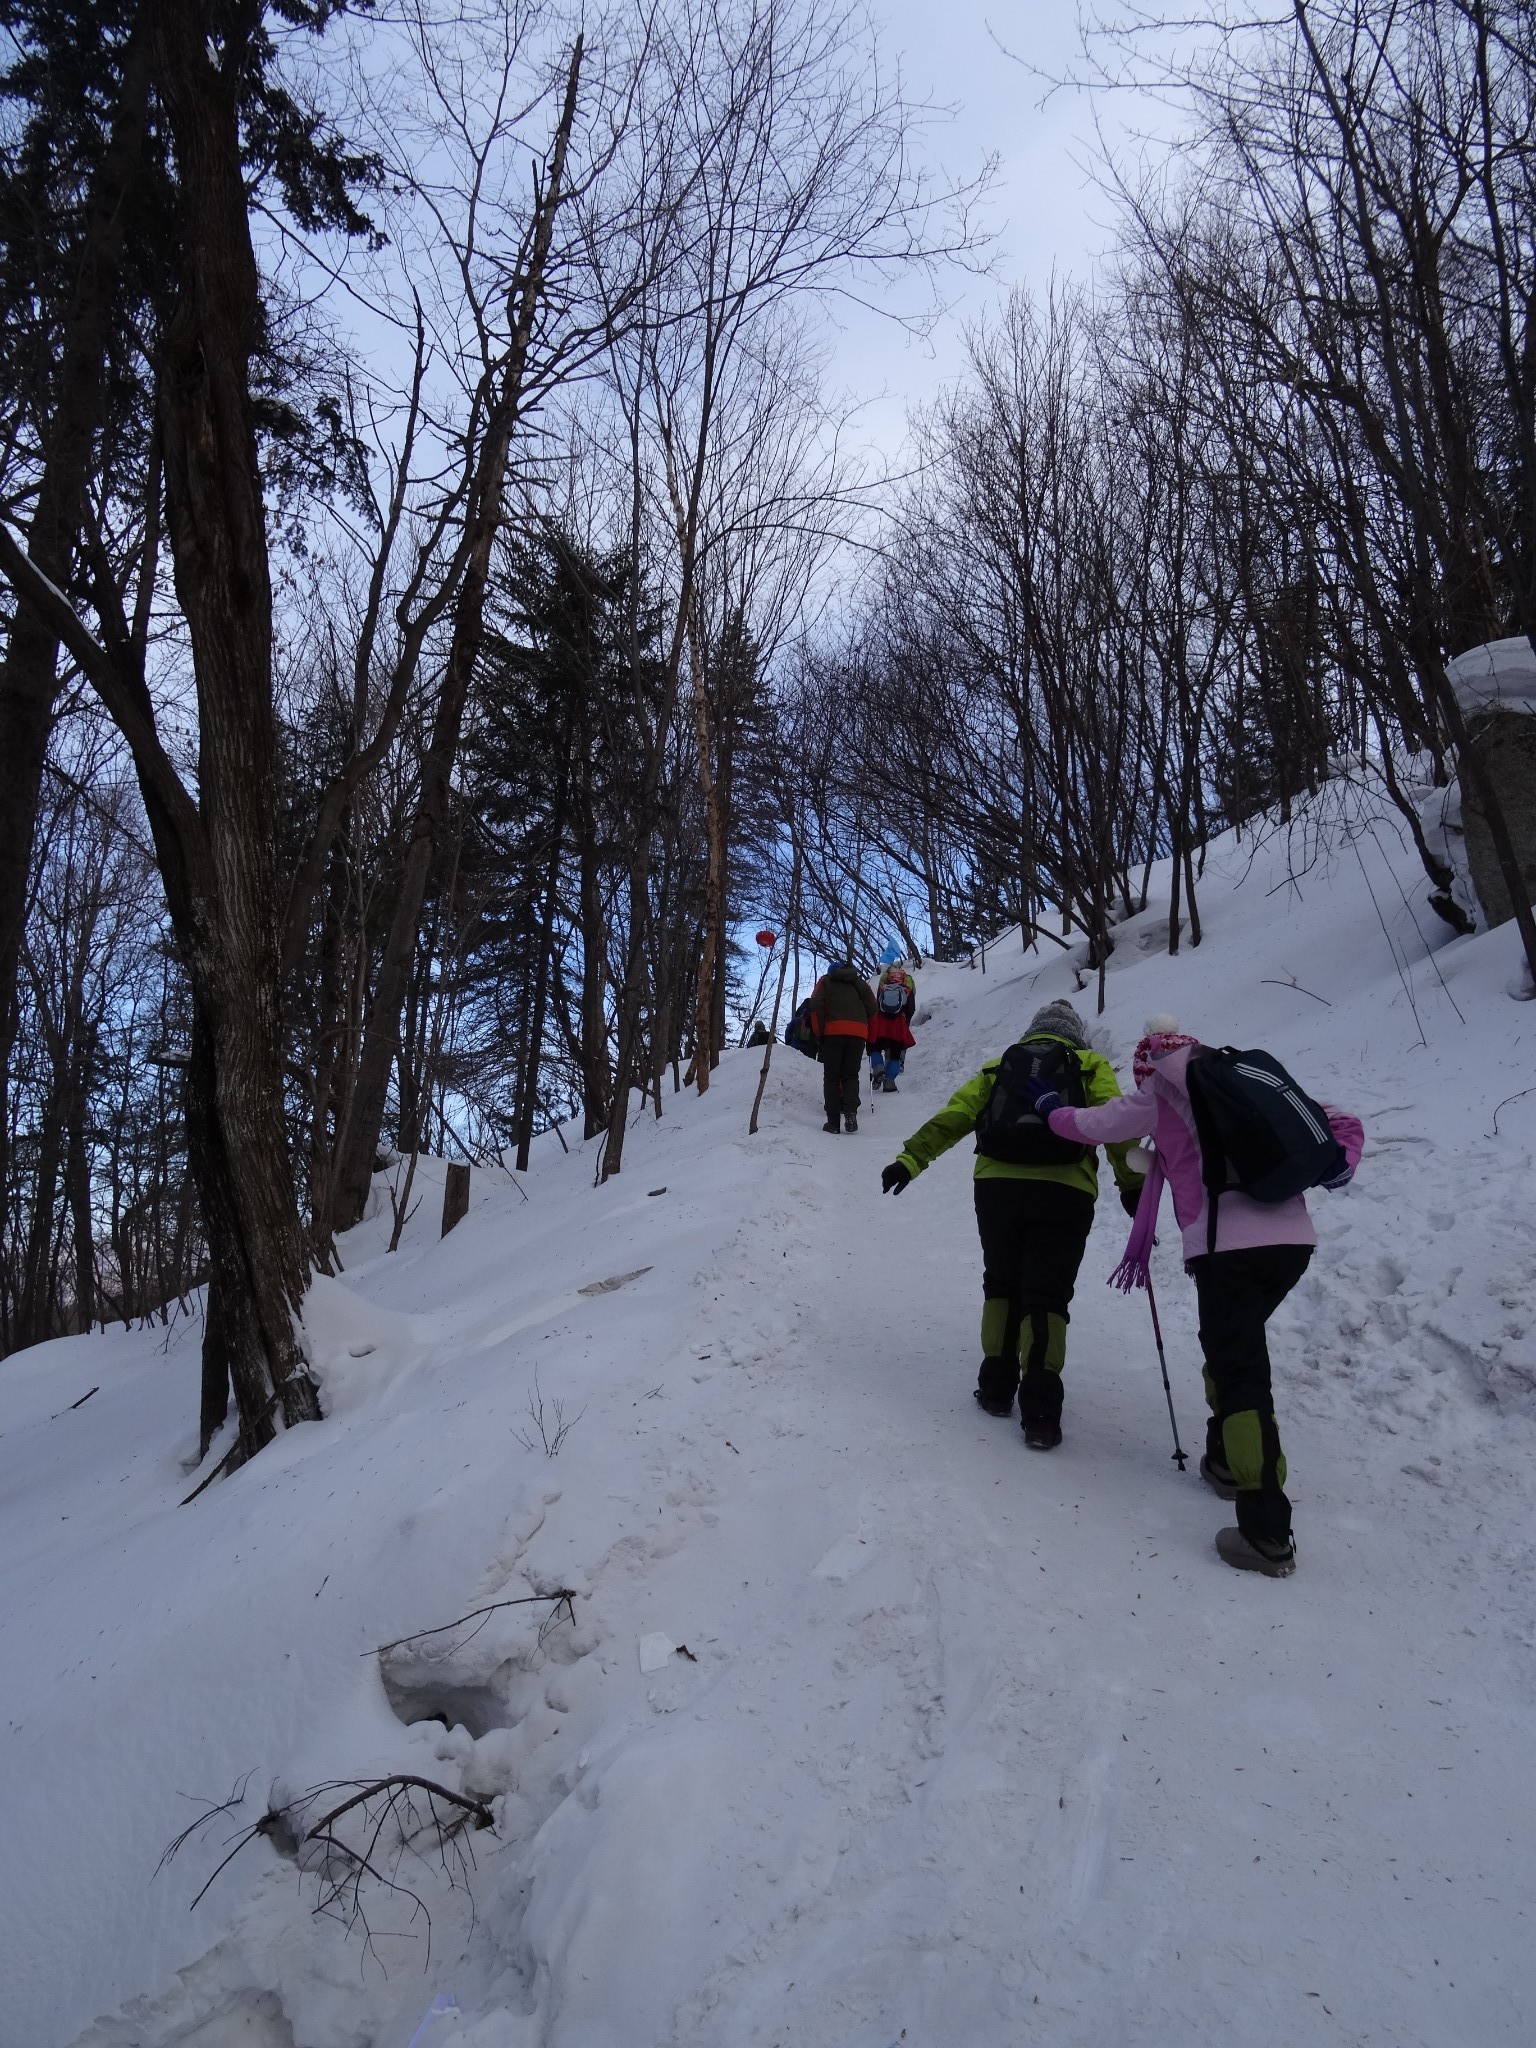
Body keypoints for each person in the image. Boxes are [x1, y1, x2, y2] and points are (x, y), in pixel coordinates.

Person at [1035, 1016, 1363, 1578]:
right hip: (1291, 1244)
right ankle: (1224, 1459)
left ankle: (1264, 1531)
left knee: (1241, 1376)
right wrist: (1339, 1164)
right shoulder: (1242, 1078)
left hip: (1227, 1249)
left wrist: (1047, 1109)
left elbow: (1092, 1124)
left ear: (1150, 1063)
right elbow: (1340, 1120)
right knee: (1231, 1349)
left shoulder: (1162, 1089)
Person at [879, 999, 1145, 1447]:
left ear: (1033, 1031)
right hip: (1066, 1190)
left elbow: (957, 1115)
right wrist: (1132, 1185)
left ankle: (997, 1387)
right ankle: (1041, 1410)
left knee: (1001, 1283)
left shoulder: (1001, 1065)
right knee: (1047, 1293)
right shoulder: (1088, 1064)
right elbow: (1112, 1122)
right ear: (1074, 1033)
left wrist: (911, 1158)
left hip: (998, 1186)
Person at [808, 960, 875, 1133]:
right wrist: (860, 1021)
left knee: (831, 1077)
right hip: (857, 1033)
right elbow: (873, 1006)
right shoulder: (858, 982)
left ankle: (833, 1123)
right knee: (850, 1075)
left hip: (833, 1033)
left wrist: (819, 1031)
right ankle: (851, 1113)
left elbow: (815, 1004)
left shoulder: (826, 981)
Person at [869, 961, 917, 1093]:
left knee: (875, 1049)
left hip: (881, 1023)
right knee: (895, 1055)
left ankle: (878, 1070)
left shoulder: (882, 988)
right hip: (899, 1024)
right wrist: (905, 1022)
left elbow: (877, 1005)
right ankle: (889, 1083)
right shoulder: (907, 989)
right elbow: (911, 1009)